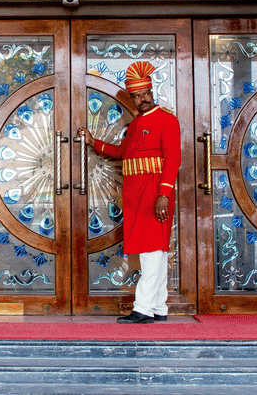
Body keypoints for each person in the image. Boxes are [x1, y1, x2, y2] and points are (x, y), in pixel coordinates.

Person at [77, 61, 180, 324]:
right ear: (132, 99)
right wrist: (93, 142)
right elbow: (122, 152)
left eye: (146, 94)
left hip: (154, 194)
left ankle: (143, 308)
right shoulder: (135, 125)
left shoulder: (167, 120)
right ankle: (158, 307)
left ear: (152, 92)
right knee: (154, 250)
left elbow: (173, 160)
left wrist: (164, 195)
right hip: (136, 195)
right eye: (137, 96)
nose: (142, 99)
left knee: (151, 250)